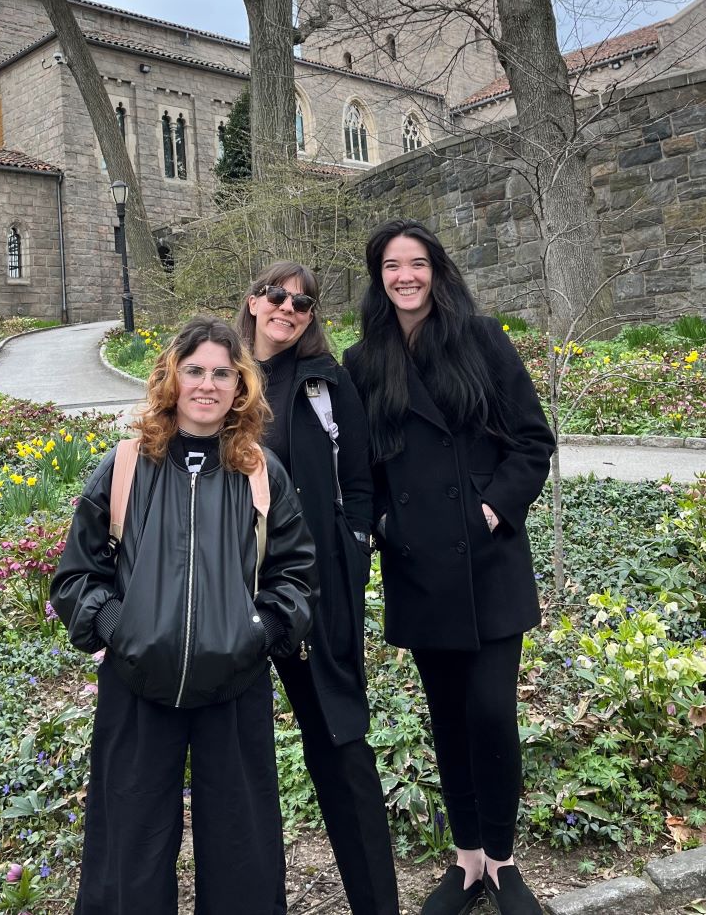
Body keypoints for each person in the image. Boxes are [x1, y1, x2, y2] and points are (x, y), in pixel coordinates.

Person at [50, 316, 318, 915]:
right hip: (138, 683)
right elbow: (75, 577)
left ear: (241, 386)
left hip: (234, 683)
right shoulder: (124, 466)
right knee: (131, 844)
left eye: (223, 372)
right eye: (194, 370)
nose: (207, 384)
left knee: (241, 847)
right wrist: (121, 628)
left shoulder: (260, 473)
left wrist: (260, 631)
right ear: (171, 377)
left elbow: (296, 575)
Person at [342, 222, 554, 915]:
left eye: (417, 263)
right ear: (378, 276)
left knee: (491, 711)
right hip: (417, 565)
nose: (405, 276)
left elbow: (532, 439)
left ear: (436, 269)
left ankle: (504, 859)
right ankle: (466, 861)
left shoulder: (480, 337)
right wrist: (380, 524)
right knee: (448, 717)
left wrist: (491, 511)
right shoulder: (363, 360)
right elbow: (358, 466)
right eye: (392, 266)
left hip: (486, 558)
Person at [237, 264, 400, 915]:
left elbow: (359, 480)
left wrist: (353, 556)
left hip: (315, 589)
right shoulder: (224, 375)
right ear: (253, 301)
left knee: (339, 740)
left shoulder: (326, 381)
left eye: (302, 301)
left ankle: (376, 905)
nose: (289, 306)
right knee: (240, 756)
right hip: (237, 593)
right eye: (277, 295)